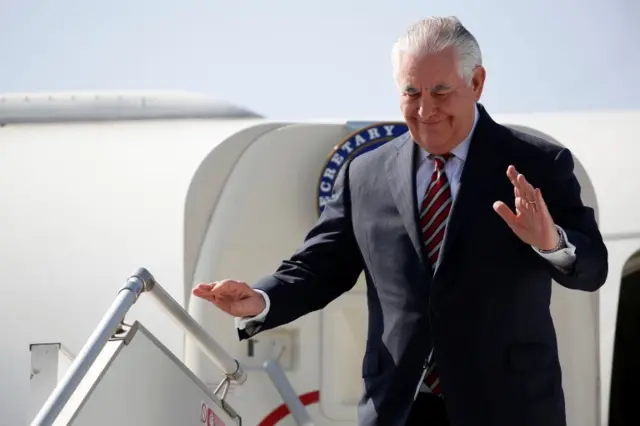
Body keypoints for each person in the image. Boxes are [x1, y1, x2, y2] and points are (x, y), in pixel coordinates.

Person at [193, 15, 608, 426]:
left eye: (441, 91)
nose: (425, 109)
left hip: (508, 406)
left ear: (477, 83)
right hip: (398, 406)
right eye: (411, 91)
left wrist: (551, 241)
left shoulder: (538, 163)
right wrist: (262, 298)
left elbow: (593, 268)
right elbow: (320, 267)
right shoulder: (364, 174)